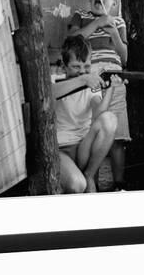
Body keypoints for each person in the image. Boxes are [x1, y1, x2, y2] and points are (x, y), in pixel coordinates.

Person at [68, 0, 130, 191]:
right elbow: (73, 42)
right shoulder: (81, 16)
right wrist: (97, 23)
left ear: (114, 4)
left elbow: (124, 57)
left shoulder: (118, 21)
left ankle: (119, 184)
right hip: (89, 79)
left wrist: (113, 31)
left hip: (114, 81)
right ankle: (87, 176)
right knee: (91, 127)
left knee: (118, 136)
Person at [52, 35, 118, 193]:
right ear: (64, 66)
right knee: (77, 185)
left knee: (110, 119)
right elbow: (49, 93)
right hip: (61, 150)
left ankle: (90, 174)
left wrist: (110, 90)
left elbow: (99, 114)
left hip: (83, 148)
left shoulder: (91, 85)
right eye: (76, 66)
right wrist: (83, 80)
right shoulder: (54, 80)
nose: (82, 72)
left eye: (86, 67)